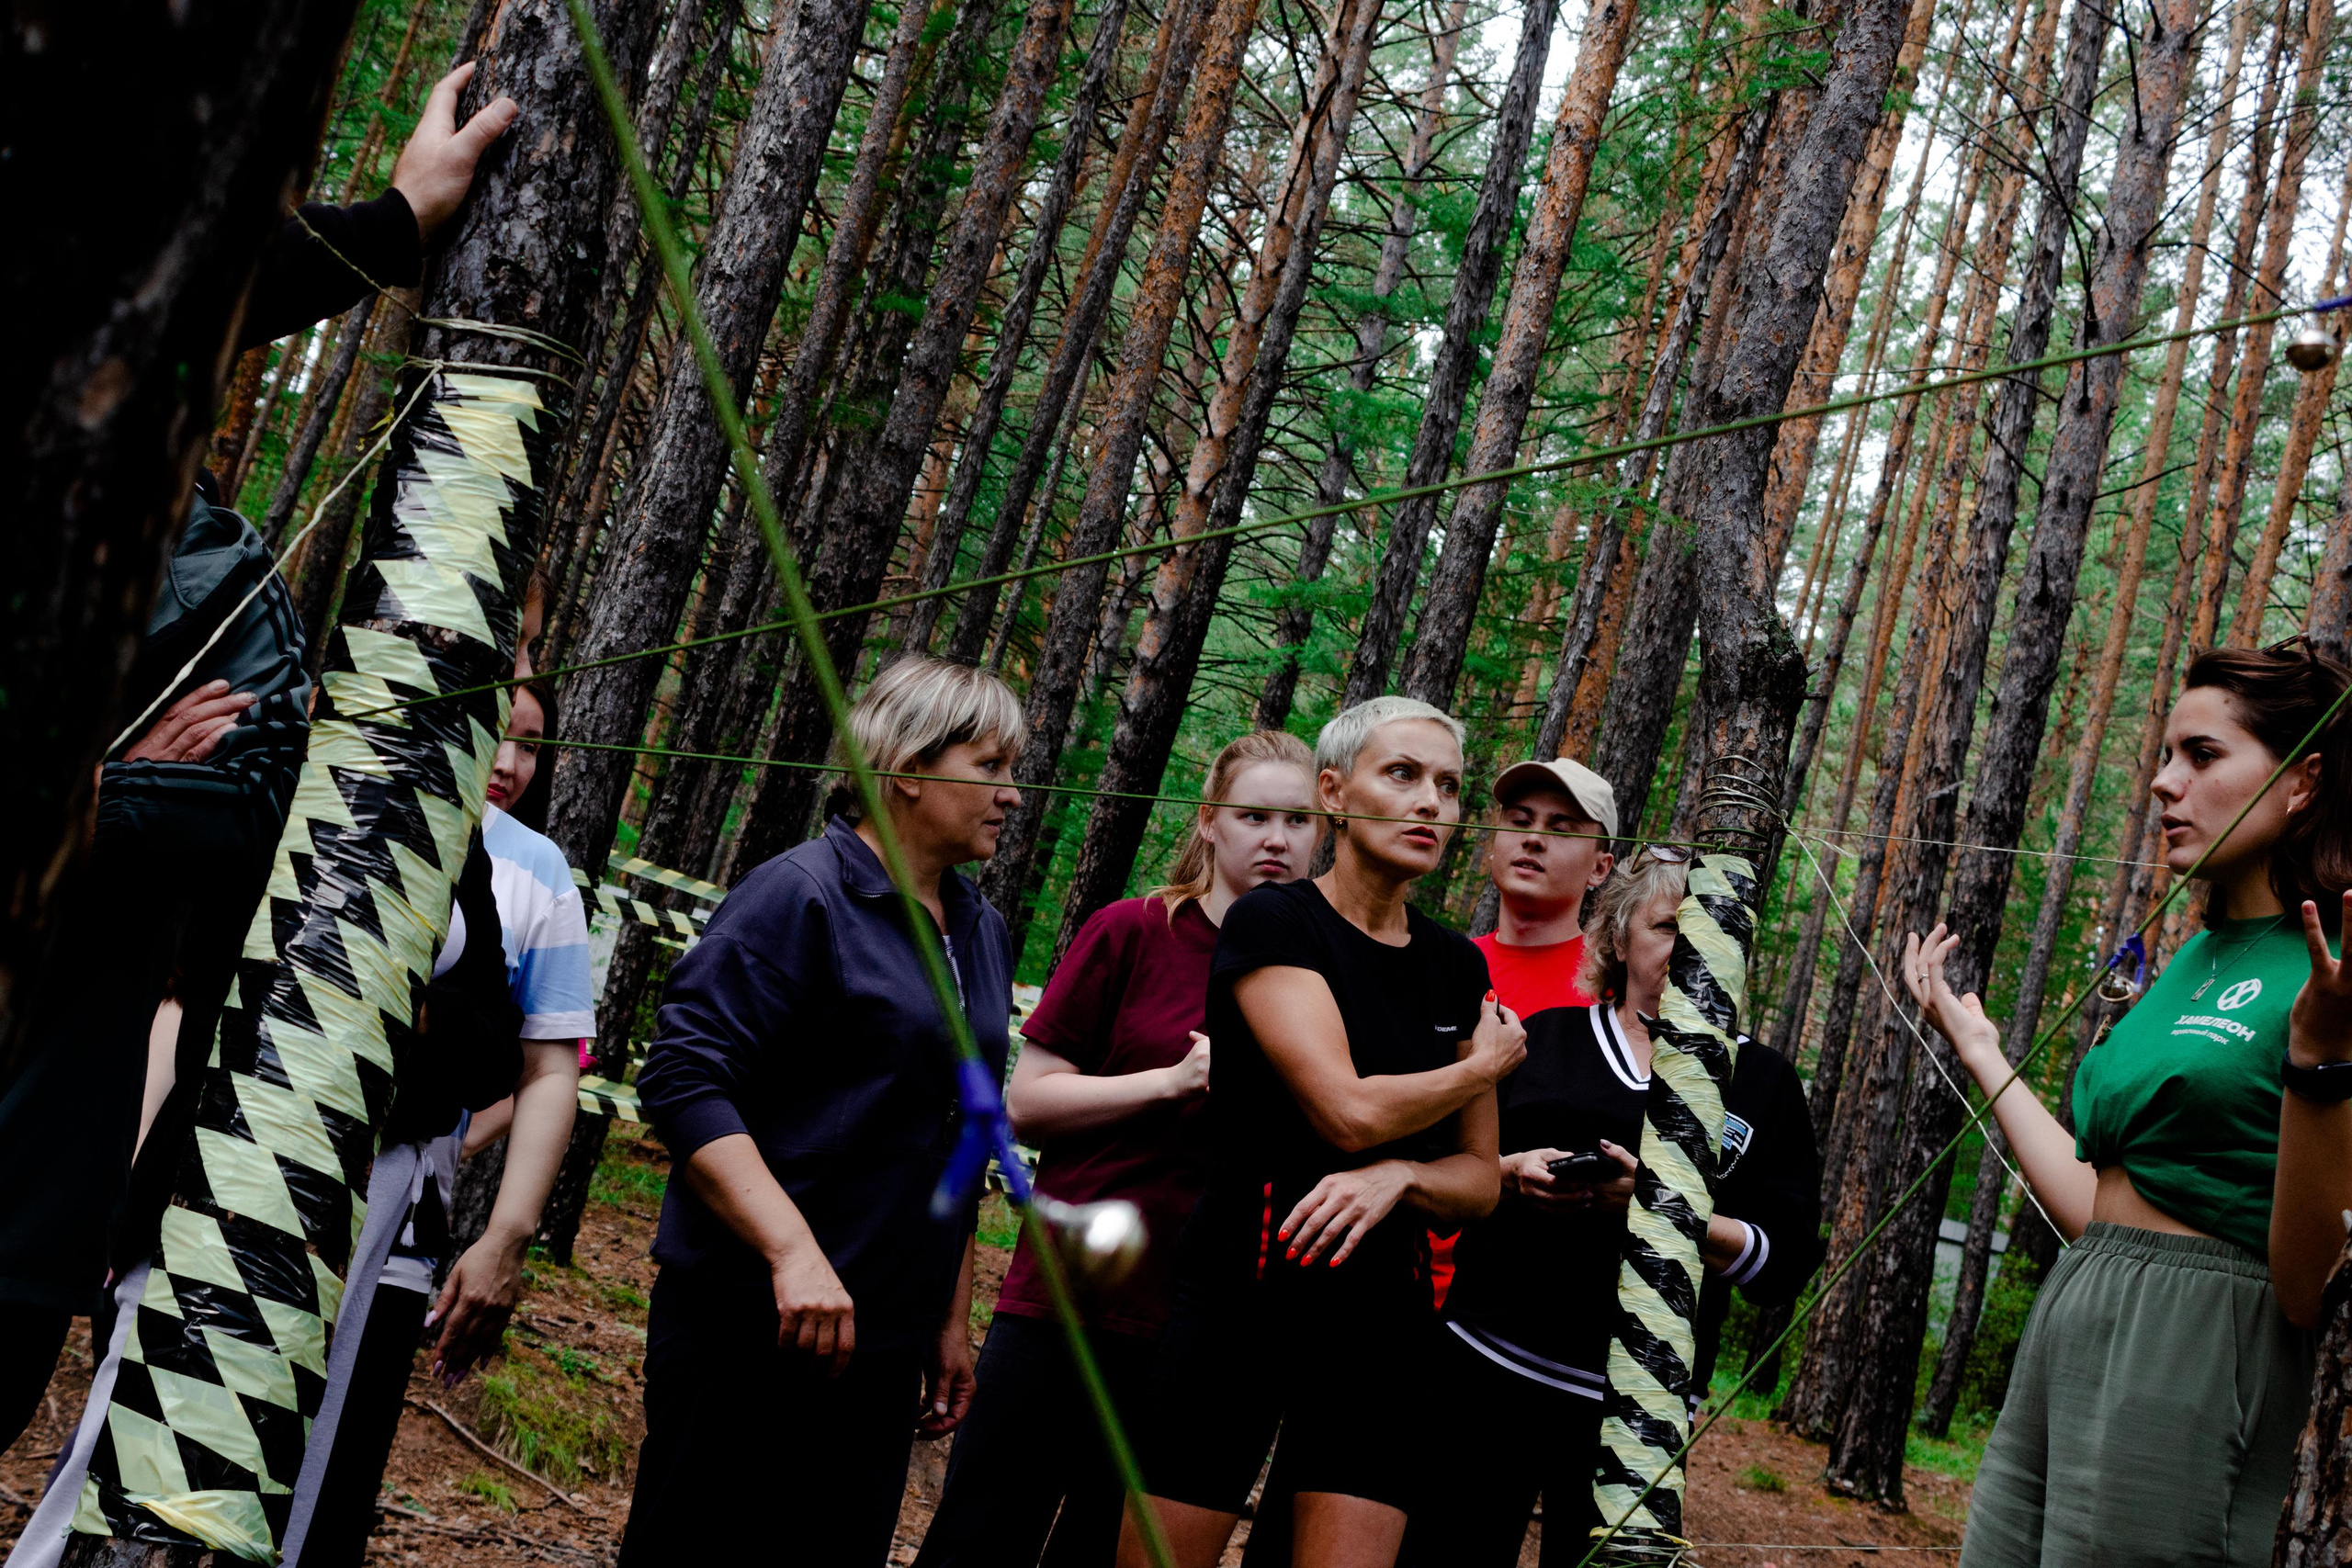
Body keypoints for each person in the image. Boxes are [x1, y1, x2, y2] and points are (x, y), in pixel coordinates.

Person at [0, 60, 518, 1453]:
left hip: (37, 1154)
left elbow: (240, 791)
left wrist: (396, 225)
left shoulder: (212, 575)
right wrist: (95, 789)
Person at [1908, 641, 2352, 1568]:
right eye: (2164, 754)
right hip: (2078, 1322)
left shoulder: (2333, 977)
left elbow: (2309, 1284)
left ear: (2303, 781)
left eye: (2202, 755)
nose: (2162, 782)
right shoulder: (2193, 958)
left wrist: (2318, 1057)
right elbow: (2103, 1205)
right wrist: (1981, 1050)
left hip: (2198, 1353)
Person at [621, 658, 1024, 1567]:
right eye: (991, 766)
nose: (1012, 793)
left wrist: (948, 1317)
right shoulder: (798, 894)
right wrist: (791, 1251)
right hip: (749, 1325)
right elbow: (684, 1079)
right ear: (907, 769)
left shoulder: (981, 929)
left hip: (880, 1346)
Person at [1117, 696, 1524, 1568]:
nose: (1430, 801)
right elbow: (1346, 1111)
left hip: (1380, 1314)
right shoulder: (1276, 921)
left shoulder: (1457, 965)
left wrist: (1402, 1178)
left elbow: (1479, 1178)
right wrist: (1478, 1069)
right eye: (1403, 774)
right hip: (1243, 1286)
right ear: (1334, 794)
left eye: (1449, 786)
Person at [917, 730, 1321, 1568]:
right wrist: (1173, 1080)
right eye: (1254, 816)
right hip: (1069, 1296)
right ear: (1209, 820)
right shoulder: (1134, 931)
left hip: (1200, 1328)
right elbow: (1026, 1104)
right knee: (979, 1540)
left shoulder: (1318, 974)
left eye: (1298, 820)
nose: (1277, 840)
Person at [1402, 846, 1821, 1565]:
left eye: (1713, 931)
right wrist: (1513, 1173)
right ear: (1620, 938)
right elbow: (1439, 1176)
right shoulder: (1544, 1038)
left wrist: (1659, 1207)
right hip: (1488, 1364)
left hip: (1643, 1403)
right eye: (1667, 925)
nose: (1690, 947)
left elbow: (1783, 1261)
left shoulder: (1762, 1082)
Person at [289, 678, 589, 1567]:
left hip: (402, 1210)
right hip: (265, 1171)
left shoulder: (538, 870)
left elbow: (547, 1062)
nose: (510, 762)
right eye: (499, 731)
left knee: (335, 1468)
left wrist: (498, 1217)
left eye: (532, 744)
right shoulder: (334, 791)